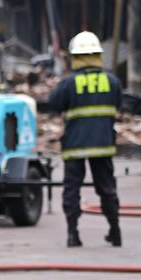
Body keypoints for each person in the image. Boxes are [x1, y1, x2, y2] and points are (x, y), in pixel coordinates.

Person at [48, 31, 123, 248]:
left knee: (72, 189)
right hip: (103, 145)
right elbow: (118, 104)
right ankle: (115, 232)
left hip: (75, 146)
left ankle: (73, 234)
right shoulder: (112, 81)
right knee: (107, 189)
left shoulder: (69, 83)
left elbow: (54, 103)